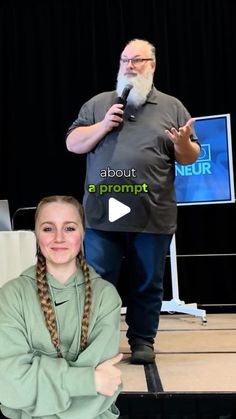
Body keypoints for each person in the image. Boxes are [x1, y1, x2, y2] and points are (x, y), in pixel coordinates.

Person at [66, 38, 200, 365]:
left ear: (151, 66)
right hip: (101, 217)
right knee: (98, 284)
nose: (129, 66)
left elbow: (189, 157)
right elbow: (73, 143)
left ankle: (142, 340)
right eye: (125, 60)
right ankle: (98, 342)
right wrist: (102, 126)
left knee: (147, 282)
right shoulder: (98, 104)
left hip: (152, 215)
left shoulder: (172, 107)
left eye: (137, 60)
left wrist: (183, 143)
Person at [0, 195, 123, 419]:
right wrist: (89, 380)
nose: (58, 238)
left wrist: (39, 391)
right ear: (36, 234)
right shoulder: (11, 296)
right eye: (48, 228)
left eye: (69, 228)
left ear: (83, 233)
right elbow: (9, 386)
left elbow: (102, 394)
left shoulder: (106, 297)